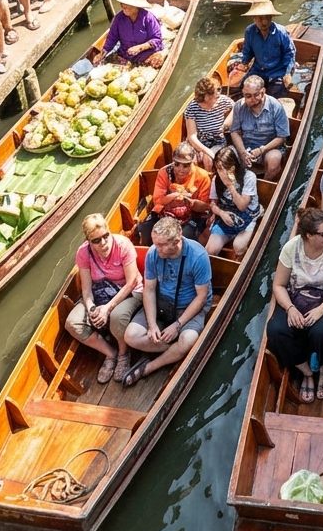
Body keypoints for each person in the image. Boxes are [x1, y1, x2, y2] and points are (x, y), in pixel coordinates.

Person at [266, 205, 323, 403]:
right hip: (297, 298)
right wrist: (290, 309)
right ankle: (306, 371)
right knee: (276, 330)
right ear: (308, 236)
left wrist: (321, 310)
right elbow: (279, 285)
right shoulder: (291, 248)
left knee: (321, 331)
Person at [121, 216, 213, 387]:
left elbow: (201, 298)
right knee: (130, 336)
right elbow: (149, 289)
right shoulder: (154, 253)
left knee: (188, 339)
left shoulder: (198, 256)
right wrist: (152, 325)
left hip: (189, 306)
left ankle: (149, 367)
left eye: (162, 245)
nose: (157, 249)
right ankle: (174, 349)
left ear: (177, 241)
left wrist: (177, 325)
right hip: (163, 302)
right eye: (155, 243)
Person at [64, 212, 142, 384]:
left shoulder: (123, 245)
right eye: (96, 240)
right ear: (88, 241)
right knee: (73, 323)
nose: (103, 243)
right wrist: (92, 308)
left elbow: (131, 282)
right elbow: (86, 289)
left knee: (116, 316)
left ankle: (123, 353)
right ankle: (110, 353)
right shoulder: (83, 253)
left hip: (128, 292)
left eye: (106, 236)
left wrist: (107, 308)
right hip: (100, 294)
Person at [137, 143, 212, 243]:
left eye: (185, 165)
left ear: (192, 163)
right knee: (146, 231)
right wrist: (174, 196)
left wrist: (190, 202)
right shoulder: (164, 172)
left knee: (182, 239)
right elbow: (158, 200)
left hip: (193, 215)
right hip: (165, 213)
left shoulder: (203, 176)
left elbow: (205, 207)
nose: (180, 169)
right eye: (177, 164)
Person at [229, 74, 289, 182]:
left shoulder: (276, 106)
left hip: (268, 148)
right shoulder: (239, 106)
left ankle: (263, 185)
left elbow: (282, 136)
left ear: (263, 92)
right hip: (245, 148)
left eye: (256, 95)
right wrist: (242, 152)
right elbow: (235, 132)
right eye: (248, 96)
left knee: (274, 159)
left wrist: (262, 149)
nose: (252, 99)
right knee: (226, 156)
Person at [205, 145, 262, 256]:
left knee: (238, 247)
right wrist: (221, 213)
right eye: (218, 168)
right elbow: (212, 204)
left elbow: (242, 206)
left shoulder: (249, 177)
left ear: (233, 167)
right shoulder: (216, 179)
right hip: (226, 214)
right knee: (210, 250)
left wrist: (230, 185)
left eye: (223, 169)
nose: (221, 173)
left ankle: (251, 234)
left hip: (247, 215)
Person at [235, 0, 296, 97]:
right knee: (244, 90)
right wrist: (244, 63)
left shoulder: (281, 32)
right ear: (253, 18)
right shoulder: (249, 31)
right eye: (260, 18)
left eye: (268, 18)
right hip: (258, 69)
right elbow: (248, 51)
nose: (264, 22)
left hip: (277, 70)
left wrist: (287, 73)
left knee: (275, 94)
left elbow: (289, 53)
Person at [98, 0, 164, 67]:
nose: (123, 6)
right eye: (122, 3)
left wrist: (140, 48)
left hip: (146, 54)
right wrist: (102, 53)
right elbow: (112, 38)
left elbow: (157, 39)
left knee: (156, 63)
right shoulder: (118, 18)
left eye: (128, 3)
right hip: (125, 54)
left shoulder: (148, 18)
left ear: (137, 6)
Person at [184, 74, 234, 166]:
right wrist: (204, 150)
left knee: (208, 158)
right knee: (190, 160)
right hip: (199, 142)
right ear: (206, 97)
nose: (218, 95)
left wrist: (226, 124)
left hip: (218, 142)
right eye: (215, 94)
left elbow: (236, 108)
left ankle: (209, 178)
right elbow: (192, 136)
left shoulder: (222, 101)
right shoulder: (192, 108)